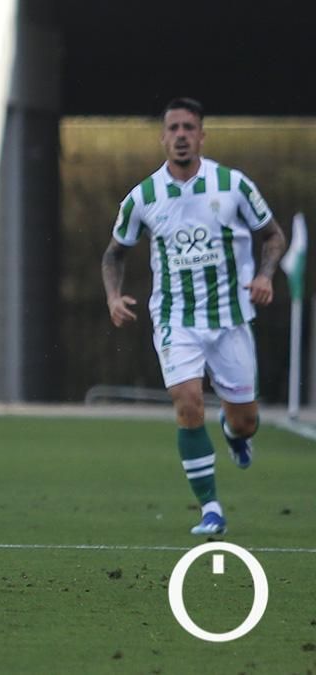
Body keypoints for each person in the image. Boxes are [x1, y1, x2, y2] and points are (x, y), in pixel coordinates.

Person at [101, 97, 286, 536]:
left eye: (189, 127)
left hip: (230, 319)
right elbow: (114, 254)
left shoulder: (233, 184)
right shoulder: (143, 196)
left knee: (247, 420)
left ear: (201, 135)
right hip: (174, 319)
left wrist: (264, 275)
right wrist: (112, 297)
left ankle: (235, 432)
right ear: (163, 137)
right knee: (187, 403)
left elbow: (273, 236)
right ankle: (211, 509)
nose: (181, 135)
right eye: (173, 128)